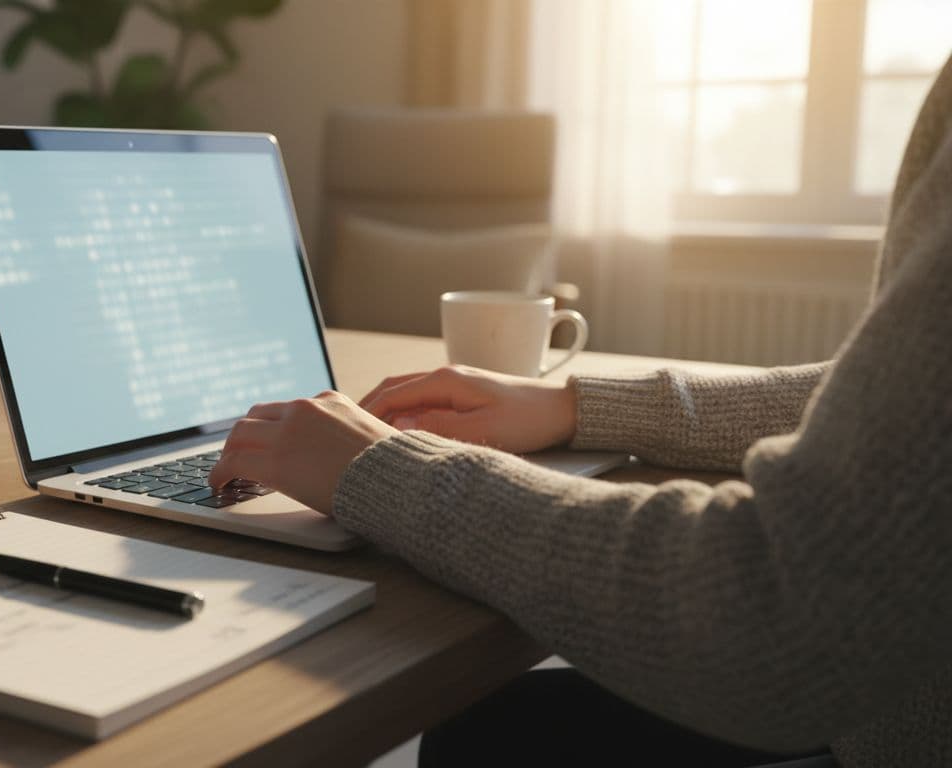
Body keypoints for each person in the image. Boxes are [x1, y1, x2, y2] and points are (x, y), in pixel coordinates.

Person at [207, 56, 952, 767]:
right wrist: (576, 404)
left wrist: (382, 472)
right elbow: (901, 407)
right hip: (893, 716)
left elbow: (780, 617)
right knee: (496, 728)